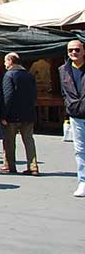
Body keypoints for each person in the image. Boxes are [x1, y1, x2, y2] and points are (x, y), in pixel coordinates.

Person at [1, 52, 38, 175]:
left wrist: (4, 114)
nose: (4, 64)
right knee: (29, 140)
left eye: (5, 61)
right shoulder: (29, 75)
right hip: (28, 113)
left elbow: (8, 96)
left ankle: (10, 165)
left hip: (12, 114)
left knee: (9, 141)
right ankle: (33, 166)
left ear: (11, 61)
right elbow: (34, 95)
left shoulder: (9, 75)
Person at [58, 39, 85, 197]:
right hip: (76, 115)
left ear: (83, 51)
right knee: (80, 150)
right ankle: (83, 181)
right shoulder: (63, 69)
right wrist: (69, 106)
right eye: (70, 50)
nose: (73, 53)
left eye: (77, 50)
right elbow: (64, 91)